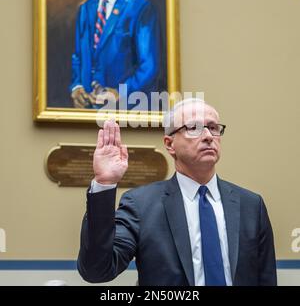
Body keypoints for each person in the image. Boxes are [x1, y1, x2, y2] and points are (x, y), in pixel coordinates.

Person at [77, 98, 277, 286]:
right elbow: (97, 270)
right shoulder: (141, 205)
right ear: (169, 144)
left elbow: (266, 279)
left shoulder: (251, 205)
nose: (208, 136)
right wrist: (104, 183)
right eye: (194, 128)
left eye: (214, 128)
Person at [70, 0, 162, 109]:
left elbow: (149, 66)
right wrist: (77, 87)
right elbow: (78, 56)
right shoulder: (86, 8)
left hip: (126, 109)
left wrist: (121, 93)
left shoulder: (140, 7)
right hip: (88, 109)